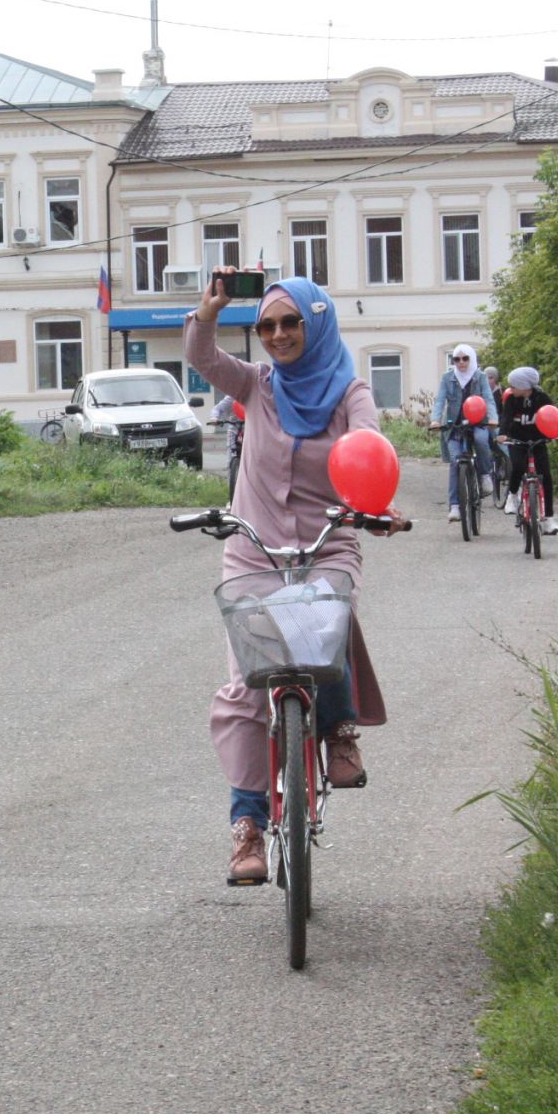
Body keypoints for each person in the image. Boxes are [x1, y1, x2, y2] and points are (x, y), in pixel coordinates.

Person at [188, 270, 399, 884]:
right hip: (252, 551)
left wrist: (377, 505)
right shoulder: (256, 385)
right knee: (248, 686)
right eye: (268, 327)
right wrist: (211, 310)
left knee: (325, 624)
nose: (279, 335)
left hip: (326, 541)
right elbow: (203, 357)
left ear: (316, 323)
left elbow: (368, 441)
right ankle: (248, 826)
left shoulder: (348, 392)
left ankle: (337, 730)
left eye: (291, 323)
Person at [429, 344, 497, 522]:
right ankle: (455, 506)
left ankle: (484, 475)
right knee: (455, 462)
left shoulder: (480, 377)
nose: (461, 362)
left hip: (478, 423)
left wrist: (492, 418)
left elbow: (489, 399)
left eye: (465, 358)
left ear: (472, 359)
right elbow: (440, 400)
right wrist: (435, 420)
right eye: (456, 359)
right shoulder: (447, 378)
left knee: (482, 441)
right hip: (455, 426)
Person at [498, 366, 558, 536]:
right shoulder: (512, 400)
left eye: (513, 386)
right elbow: (505, 418)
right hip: (517, 440)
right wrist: (503, 434)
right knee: (518, 466)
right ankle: (512, 495)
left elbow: (554, 414)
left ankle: (548, 518)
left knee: (546, 476)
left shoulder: (542, 398)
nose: (510, 389)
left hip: (538, 441)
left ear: (525, 386)